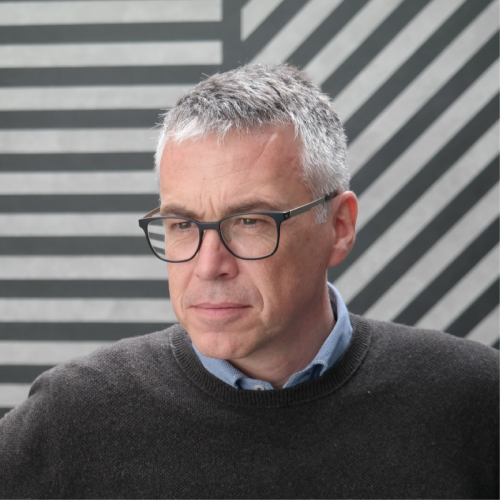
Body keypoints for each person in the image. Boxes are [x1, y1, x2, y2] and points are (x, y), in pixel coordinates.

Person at [1, 64, 499, 499]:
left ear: (340, 227)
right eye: (183, 224)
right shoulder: (72, 417)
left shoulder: (476, 400)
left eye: (250, 221)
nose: (208, 265)